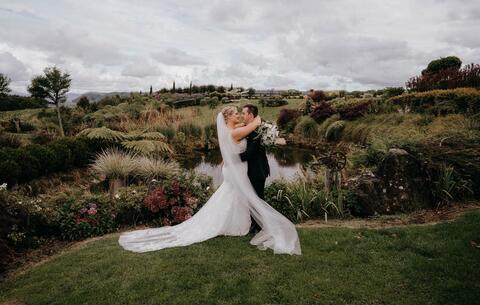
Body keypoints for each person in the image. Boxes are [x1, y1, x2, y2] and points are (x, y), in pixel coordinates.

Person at [118, 106, 301, 255]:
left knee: (234, 196)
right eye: (236, 113)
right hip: (235, 170)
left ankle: (240, 223)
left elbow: (239, 143)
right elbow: (252, 128)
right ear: (228, 117)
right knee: (235, 195)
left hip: (234, 169)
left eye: (240, 113)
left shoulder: (232, 130)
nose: (238, 115)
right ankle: (235, 225)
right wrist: (258, 121)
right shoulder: (234, 133)